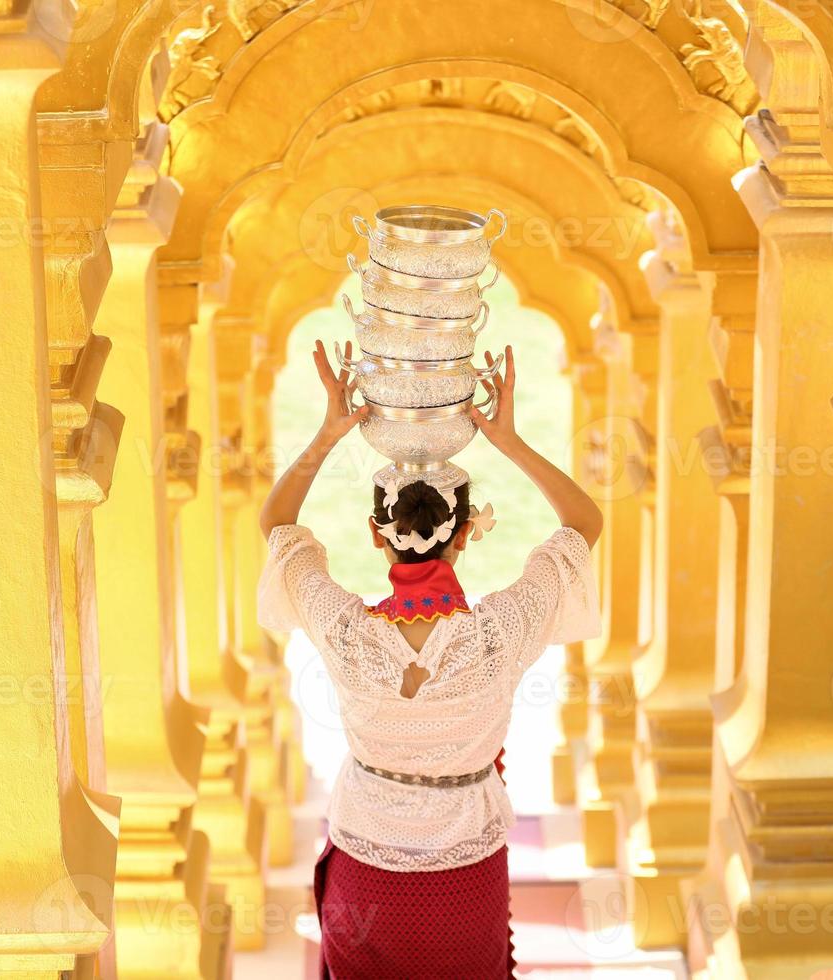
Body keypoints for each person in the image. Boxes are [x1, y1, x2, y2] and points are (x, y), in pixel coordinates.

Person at [257, 340, 603, 979]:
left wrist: (331, 430)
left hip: (367, 874)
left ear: (375, 532)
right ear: (468, 531)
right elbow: (582, 522)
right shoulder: (499, 631)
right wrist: (508, 440)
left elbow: (278, 524)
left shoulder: (345, 631)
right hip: (463, 881)